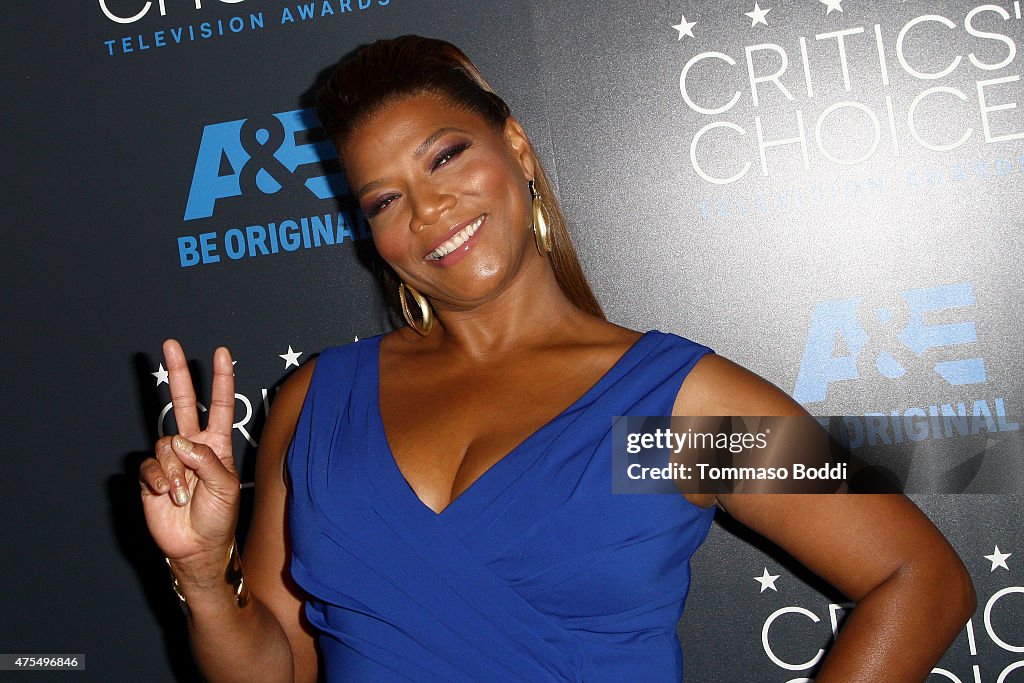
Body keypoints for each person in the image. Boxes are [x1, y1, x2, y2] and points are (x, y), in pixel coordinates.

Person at [138, 36, 976, 682]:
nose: (430, 211)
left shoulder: (663, 411)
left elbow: (918, 576)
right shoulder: (318, 403)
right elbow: (275, 665)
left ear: (518, 148)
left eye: (446, 156)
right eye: (386, 199)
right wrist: (206, 575)